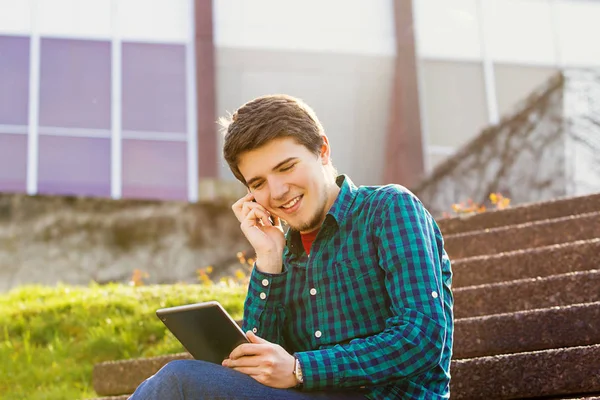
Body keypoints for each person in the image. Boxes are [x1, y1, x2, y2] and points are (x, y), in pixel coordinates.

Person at [129, 94, 453, 399]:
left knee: (177, 381)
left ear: (322, 151)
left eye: (286, 167)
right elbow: (258, 367)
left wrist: (300, 369)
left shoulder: (389, 208)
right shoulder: (281, 252)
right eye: (258, 183)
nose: (279, 190)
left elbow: (421, 336)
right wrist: (269, 259)